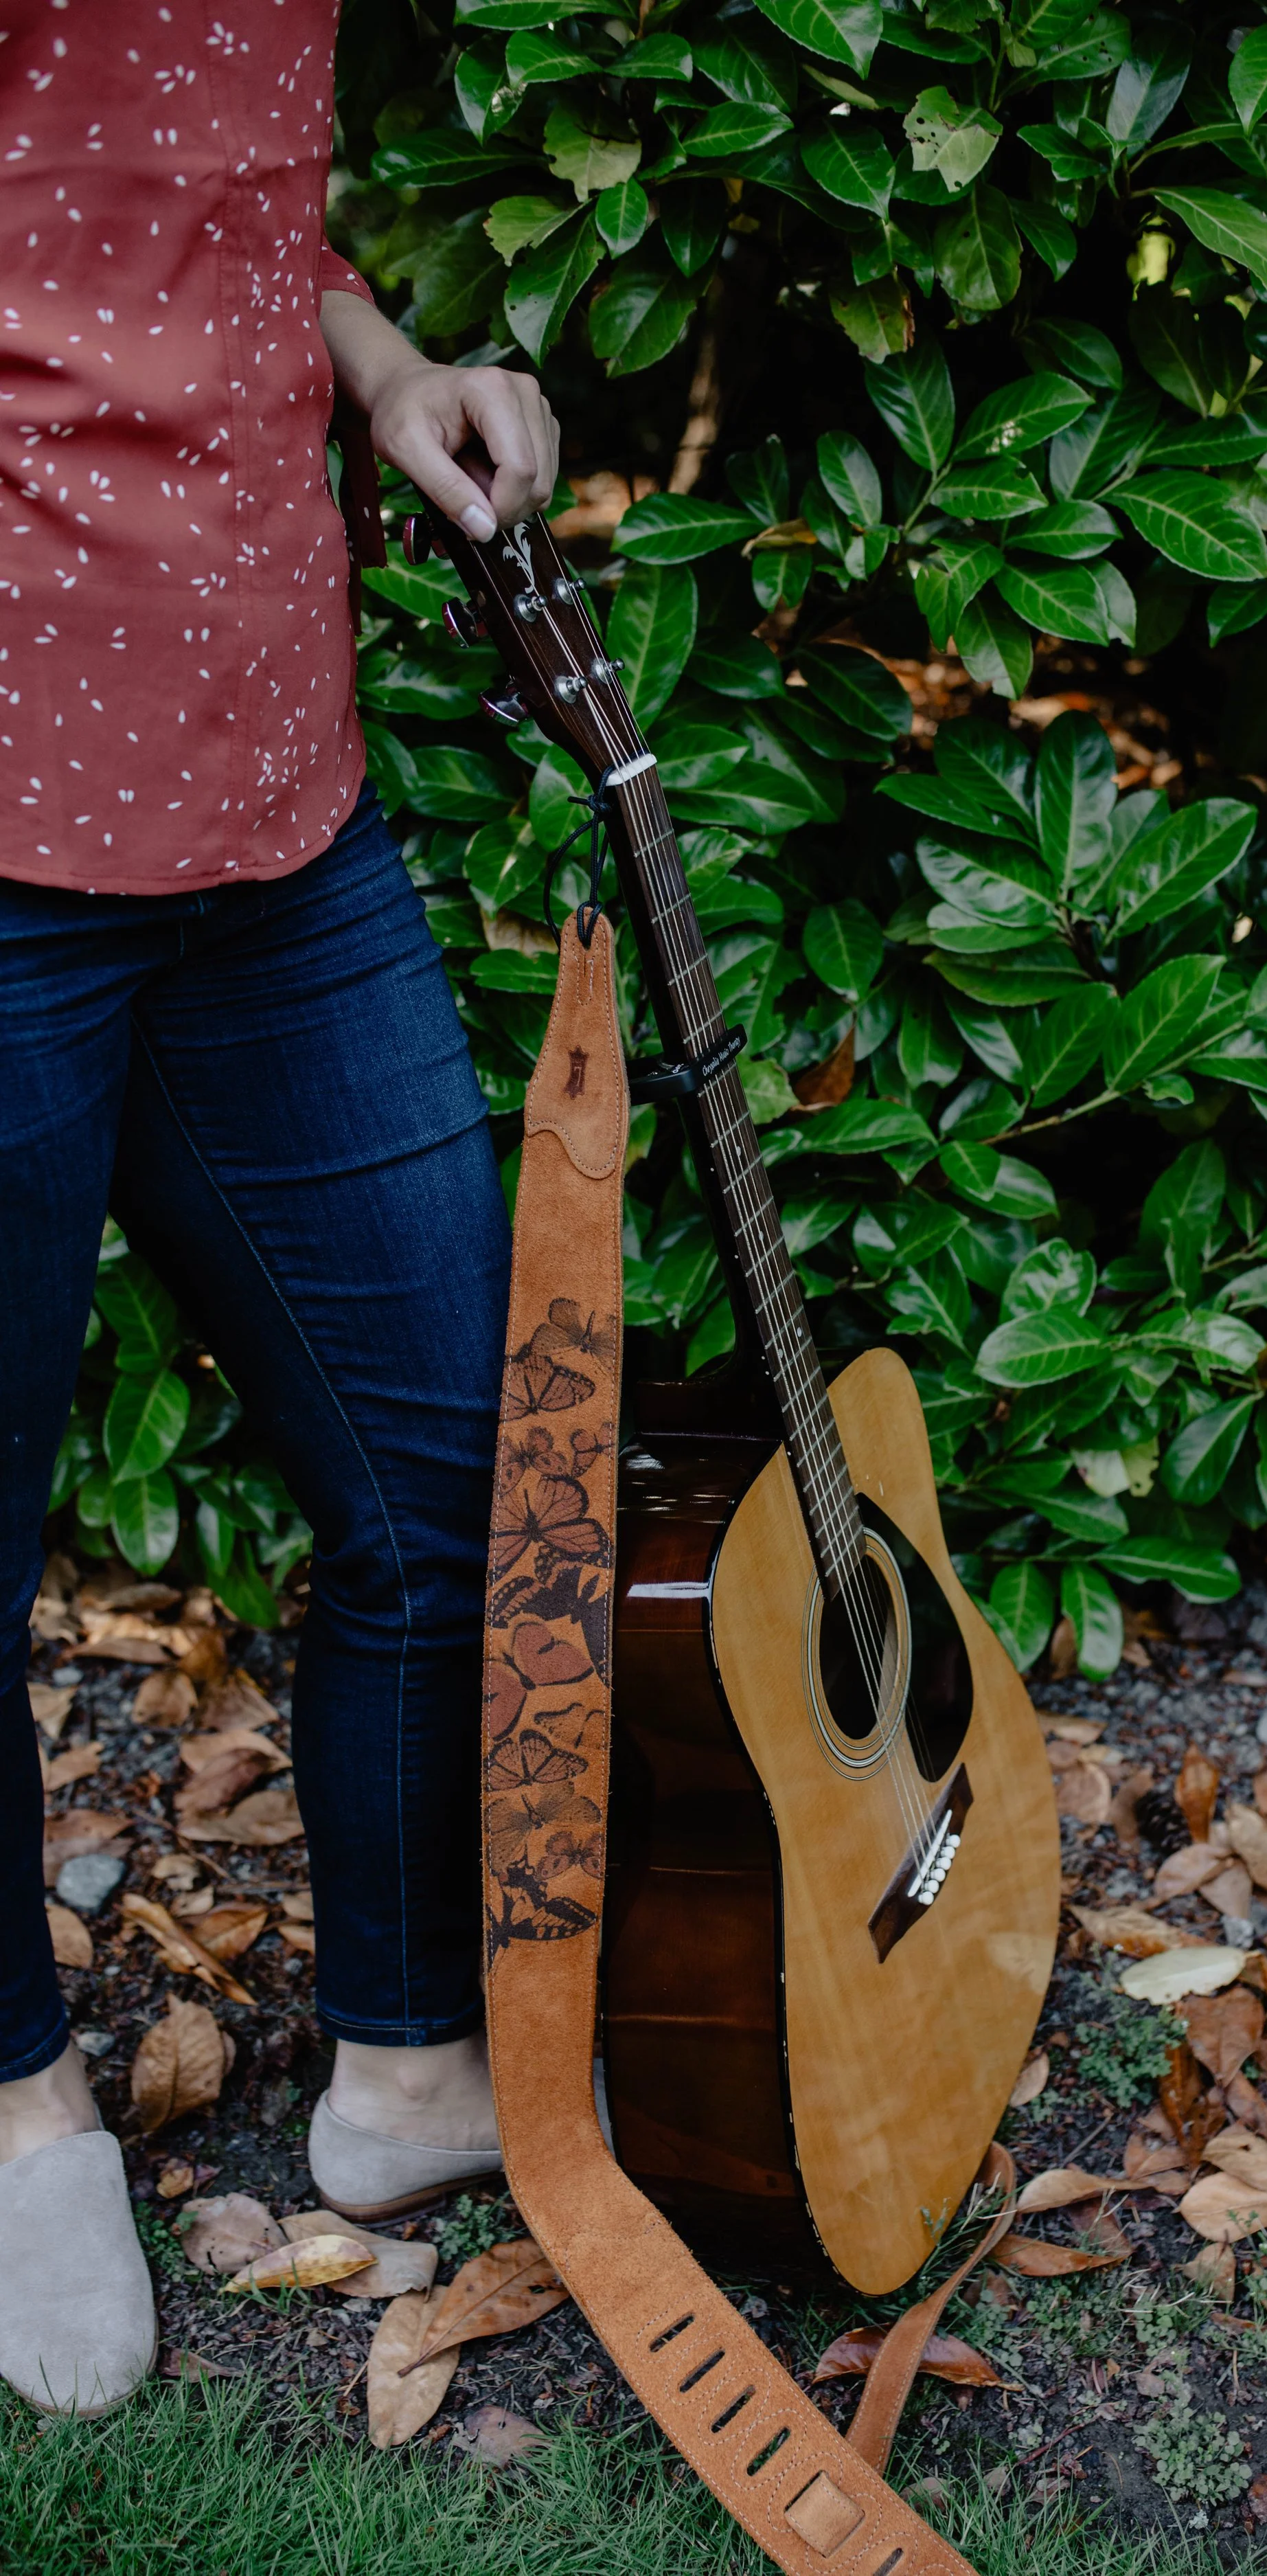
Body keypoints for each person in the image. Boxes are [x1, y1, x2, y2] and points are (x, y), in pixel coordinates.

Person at [0, 1, 558, 2416]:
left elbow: (171, 180)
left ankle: (416, 2064)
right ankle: (21, 2110)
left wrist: (373, 350)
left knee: (447, 1463)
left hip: (271, 778)